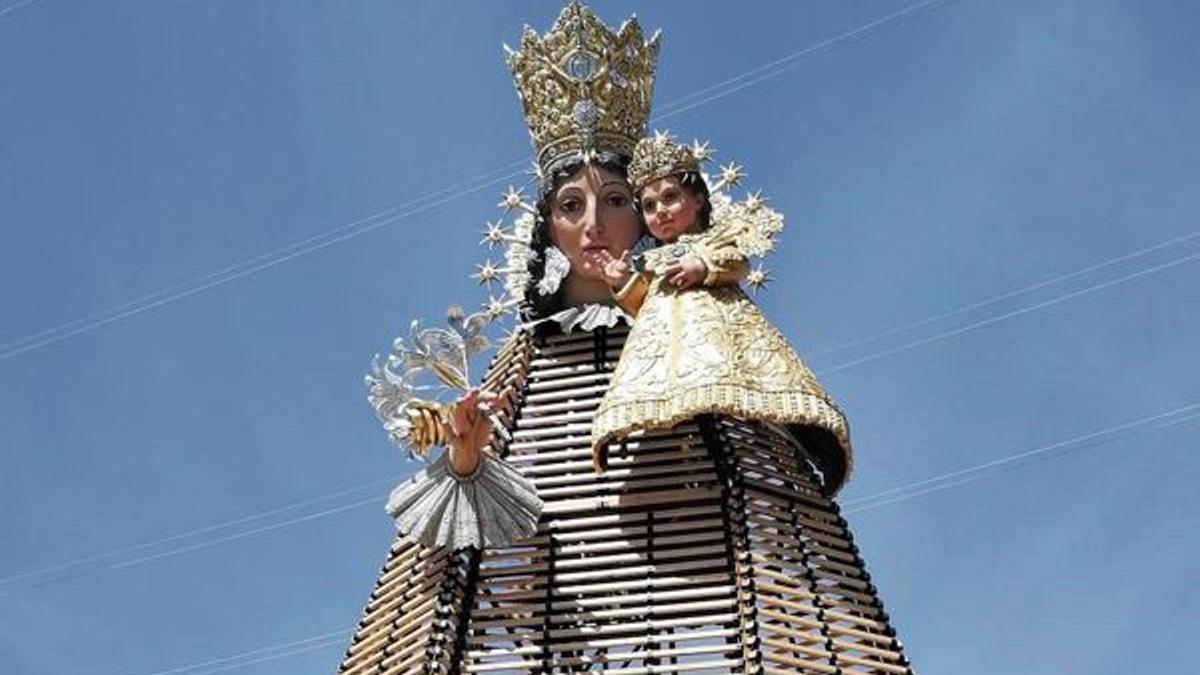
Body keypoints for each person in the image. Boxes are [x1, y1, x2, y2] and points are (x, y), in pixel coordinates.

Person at [590, 133, 851, 476]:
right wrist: (621, 282)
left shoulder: (712, 240)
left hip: (717, 331)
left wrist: (703, 266)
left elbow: (736, 261)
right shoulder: (650, 260)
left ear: (698, 199)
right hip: (662, 348)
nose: (661, 212)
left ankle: (790, 442)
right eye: (650, 206)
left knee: (730, 388)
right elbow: (644, 303)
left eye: (670, 197)